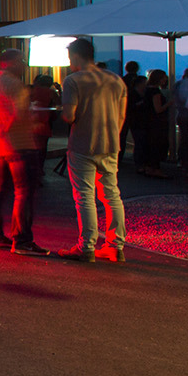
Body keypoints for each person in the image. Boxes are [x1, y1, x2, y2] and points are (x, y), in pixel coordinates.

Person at [55, 38, 127, 263]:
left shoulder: (73, 81)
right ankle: (115, 246)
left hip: (83, 144)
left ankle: (86, 246)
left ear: (75, 56)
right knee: (111, 194)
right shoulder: (116, 80)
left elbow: (69, 116)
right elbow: (121, 116)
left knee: (85, 196)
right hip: (110, 145)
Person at [0, 50, 45, 255]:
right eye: (22, 61)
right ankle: (23, 241)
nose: (25, 65)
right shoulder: (16, 86)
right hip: (18, 144)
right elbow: (20, 114)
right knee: (24, 191)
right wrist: (32, 119)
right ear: (11, 63)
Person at [136, 69, 171, 177]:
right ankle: (155, 168)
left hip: (147, 122)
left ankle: (148, 167)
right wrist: (169, 103)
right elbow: (158, 109)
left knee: (149, 145)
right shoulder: (155, 92)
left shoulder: (147, 90)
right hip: (156, 123)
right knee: (156, 145)